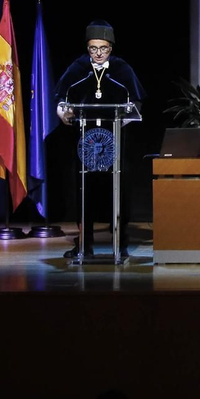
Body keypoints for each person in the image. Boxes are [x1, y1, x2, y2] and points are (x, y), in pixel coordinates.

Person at [54, 21, 146, 257]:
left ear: (111, 48)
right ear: (87, 47)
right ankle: (85, 244)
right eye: (93, 49)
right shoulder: (78, 67)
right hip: (86, 138)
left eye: (103, 49)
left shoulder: (121, 69)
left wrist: (125, 117)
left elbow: (135, 101)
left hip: (114, 139)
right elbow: (63, 96)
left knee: (118, 189)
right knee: (85, 190)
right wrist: (62, 110)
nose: (97, 54)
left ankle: (120, 242)